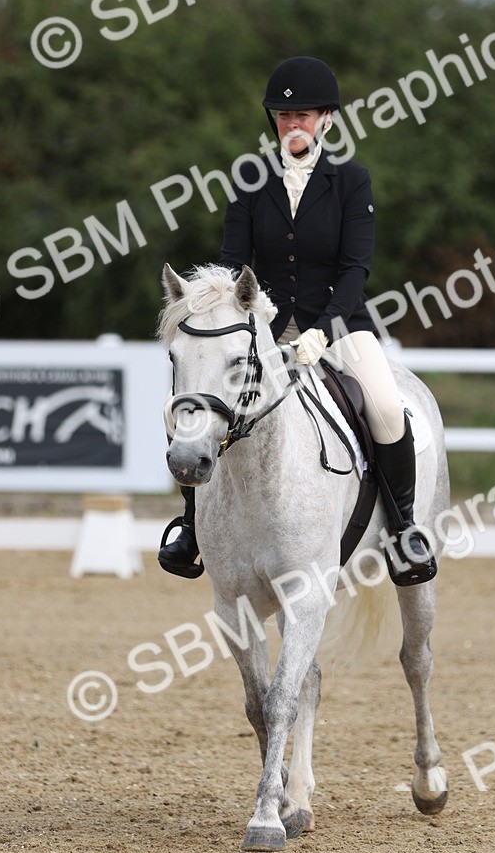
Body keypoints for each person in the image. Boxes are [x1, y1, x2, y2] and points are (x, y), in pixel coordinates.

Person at [158, 56, 437, 586]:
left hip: (340, 326)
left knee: (383, 405)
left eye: (303, 115)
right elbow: (231, 263)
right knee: (195, 403)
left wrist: (323, 330)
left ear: (326, 118)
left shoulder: (351, 181)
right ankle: (193, 525)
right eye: (284, 116)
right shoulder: (249, 181)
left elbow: (356, 268)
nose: (293, 124)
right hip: (262, 329)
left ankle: (403, 528)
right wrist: (226, 312)